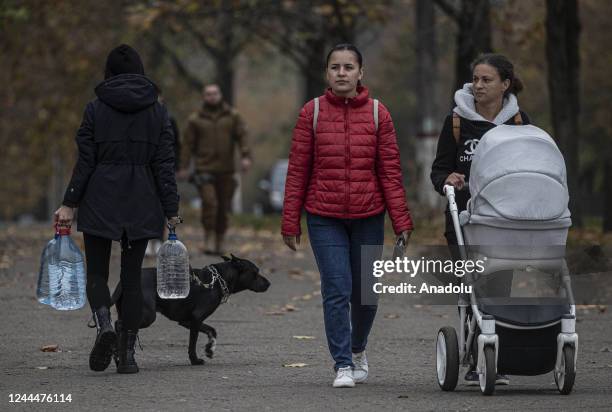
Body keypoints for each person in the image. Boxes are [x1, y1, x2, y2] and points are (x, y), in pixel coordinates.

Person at [281, 43, 414, 388]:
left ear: (360, 73)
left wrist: (401, 221)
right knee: (337, 288)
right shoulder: (310, 113)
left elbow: (390, 172)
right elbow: (297, 170)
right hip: (324, 217)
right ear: (327, 73)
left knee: (366, 294)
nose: (342, 73)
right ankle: (342, 364)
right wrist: (290, 220)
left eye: (348, 67)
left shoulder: (377, 113)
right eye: (335, 67)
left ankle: (357, 349)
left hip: (369, 215)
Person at [54, 44, 180, 374]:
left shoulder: (95, 109)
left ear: (108, 74)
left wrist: (70, 202)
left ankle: (104, 325)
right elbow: (165, 165)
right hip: (143, 200)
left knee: (96, 272)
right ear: (141, 72)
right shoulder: (158, 112)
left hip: (100, 197)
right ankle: (127, 356)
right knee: (132, 279)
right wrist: (171, 210)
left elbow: (85, 162)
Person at [430, 53, 531, 386]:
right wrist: (449, 179)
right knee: (471, 287)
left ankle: (495, 357)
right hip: (463, 220)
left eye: (487, 80)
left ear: (505, 84)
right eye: (475, 79)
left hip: (504, 219)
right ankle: (475, 357)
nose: (478, 85)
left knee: (499, 287)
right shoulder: (457, 122)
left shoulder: (519, 124)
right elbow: (439, 170)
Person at [177, 84, 251, 255]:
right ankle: (208, 237)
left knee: (224, 207)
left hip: (226, 170)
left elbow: (243, 136)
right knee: (210, 203)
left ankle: (220, 239)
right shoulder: (195, 120)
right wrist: (183, 166)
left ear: (220, 95)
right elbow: (187, 145)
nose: (212, 96)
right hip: (204, 169)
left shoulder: (232, 116)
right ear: (204, 97)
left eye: (214, 93)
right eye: (208, 94)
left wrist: (245, 156)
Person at [146, 89, 181, 256]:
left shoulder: (169, 120)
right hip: (144, 168)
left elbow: (176, 145)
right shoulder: (141, 119)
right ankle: (147, 240)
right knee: (145, 205)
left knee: (161, 206)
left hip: (164, 168)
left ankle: (158, 239)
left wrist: (177, 166)